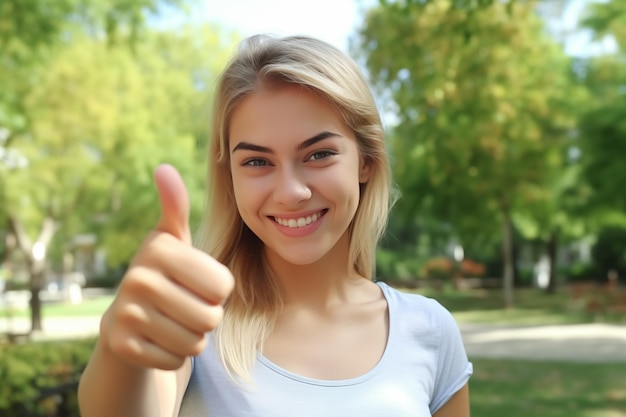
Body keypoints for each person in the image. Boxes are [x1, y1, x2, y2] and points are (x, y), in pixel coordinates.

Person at [78, 34, 472, 417]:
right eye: (257, 162)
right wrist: (119, 352)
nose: (290, 192)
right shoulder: (195, 323)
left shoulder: (429, 330)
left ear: (366, 161)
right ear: (229, 176)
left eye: (319, 154)